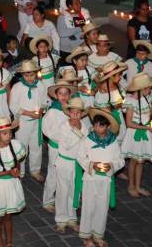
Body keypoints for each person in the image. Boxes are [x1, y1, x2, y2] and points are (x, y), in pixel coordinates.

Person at [78, 107, 124, 247]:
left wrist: (111, 166)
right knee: (88, 206)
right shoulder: (87, 140)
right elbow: (80, 157)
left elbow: (120, 160)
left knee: (102, 207)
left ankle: (98, 234)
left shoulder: (113, 142)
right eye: (95, 124)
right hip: (90, 179)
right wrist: (92, 165)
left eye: (101, 125)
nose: (97, 128)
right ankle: (86, 235)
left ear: (108, 127)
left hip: (105, 180)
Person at [0, 117, 26, 247]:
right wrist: (8, 172)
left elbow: (17, 165)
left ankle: (9, 242)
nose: (8, 136)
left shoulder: (15, 146)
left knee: (8, 216)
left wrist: (16, 171)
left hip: (11, 185)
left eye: (10, 133)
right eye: (4, 133)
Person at [41, 74, 79, 215]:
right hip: (57, 147)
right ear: (55, 95)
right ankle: (48, 199)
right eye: (60, 93)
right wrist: (62, 139)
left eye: (66, 94)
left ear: (70, 95)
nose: (63, 96)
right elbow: (47, 130)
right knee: (53, 172)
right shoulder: (52, 112)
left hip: (69, 149)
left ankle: (63, 198)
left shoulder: (71, 111)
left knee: (66, 174)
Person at [121, 73, 152, 198]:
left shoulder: (147, 99)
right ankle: (131, 185)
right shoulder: (131, 101)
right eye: (148, 88)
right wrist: (146, 127)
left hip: (146, 132)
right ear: (140, 89)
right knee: (133, 161)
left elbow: (149, 117)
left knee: (141, 161)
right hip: (135, 133)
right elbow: (129, 123)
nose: (150, 90)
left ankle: (138, 185)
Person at [53, 97, 88, 233]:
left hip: (77, 163)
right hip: (64, 162)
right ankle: (61, 220)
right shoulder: (64, 126)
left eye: (78, 113)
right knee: (63, 191)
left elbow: (85, 145)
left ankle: (72, 218)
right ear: (68, 112)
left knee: (75, 191)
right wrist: (78, 133)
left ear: (81, 114)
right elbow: (67, 144)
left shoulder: (84, 126)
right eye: (72, 112)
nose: (75, 115)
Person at [9, 60, 46, 182]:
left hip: (37, 122)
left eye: (32, 75)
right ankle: (21, 170)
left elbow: (45, 102)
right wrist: (28, 113)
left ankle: (35, 170)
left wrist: (41, 110)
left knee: (36, 146)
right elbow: (13, 106)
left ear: (36, 73)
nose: (29, 78)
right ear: (21, 75)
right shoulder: (17, 87)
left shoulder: (41, 85)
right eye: (26, 75)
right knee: (22, 146)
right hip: (23, 123)